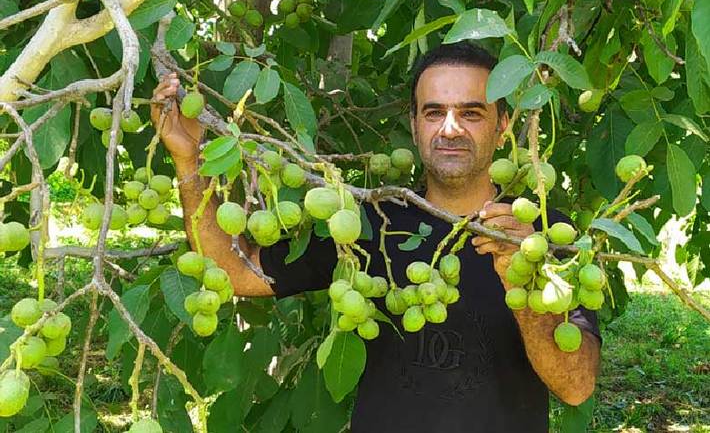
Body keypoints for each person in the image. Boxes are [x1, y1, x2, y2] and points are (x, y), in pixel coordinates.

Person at [151, 42, 601, 432]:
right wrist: (189, 162)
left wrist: (523, 281)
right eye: (433, 112)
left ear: (502, 127)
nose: (449, 128)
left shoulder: (541, 234)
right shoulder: (368, 222)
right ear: (414, 125)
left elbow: (576, 386)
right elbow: (236, 273)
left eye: (471, 113)